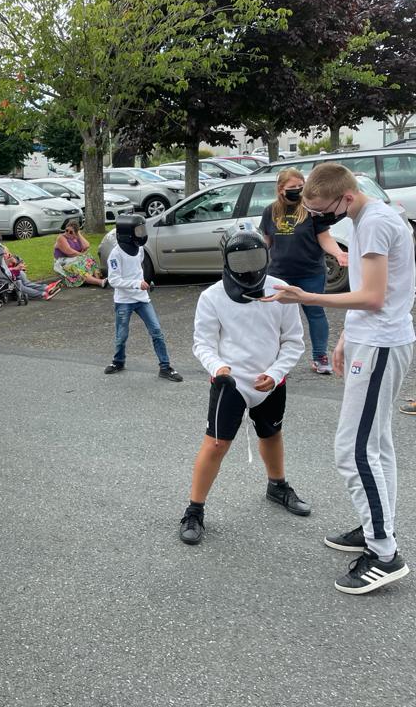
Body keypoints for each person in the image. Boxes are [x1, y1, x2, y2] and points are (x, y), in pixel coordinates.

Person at [265, 163, 415, 594]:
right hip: (374, 339)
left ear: (345, 198)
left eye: (319, 210)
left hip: (381, 344)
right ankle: (375, 530)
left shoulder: (375, 223)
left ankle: (383, 553)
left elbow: (373, 296)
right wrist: (348, 336)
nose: (316, 217)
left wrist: (305, 296)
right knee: (375, 445)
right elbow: (380, 291)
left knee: (354, 451)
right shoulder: (370, 217)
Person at [179, 224, 308, 545]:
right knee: (216, 444)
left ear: (266, 256)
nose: (249, 267)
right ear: (226, 261)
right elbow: (203, 343)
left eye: (255, 258)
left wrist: (276, 373)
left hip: (271, 380)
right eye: (240, 260)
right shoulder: (211, 297)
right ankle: (194, 510)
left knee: (272, 434)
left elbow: (293, 341)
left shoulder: (281, 291)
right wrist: (218, 367)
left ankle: (277, 485)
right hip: (230, 382)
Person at [259, 168, 348, 374]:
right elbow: (266, 242)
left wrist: (338, 253)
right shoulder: (270, 211)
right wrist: (253, 260)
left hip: (310, 272)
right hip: (279, 273)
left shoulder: (311, 209)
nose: (298, 190)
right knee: (275, 317)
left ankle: (320, 357)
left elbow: (324, 238)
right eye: (293, 187)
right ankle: (273, 359)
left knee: (315, 313)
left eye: (301, 186)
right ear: (281, 189)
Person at [103, 215, 183, 382]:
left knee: (156, 332)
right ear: (127, 233)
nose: (141, 233)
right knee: (121, 335)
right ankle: (118, 362)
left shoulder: (139, 249)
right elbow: (113, 280)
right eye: (137, 230)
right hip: (124, 301)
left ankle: (165, 367)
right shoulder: (115, 255)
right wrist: (136, 284)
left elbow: (138, 269)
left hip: (142, 299)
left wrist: (146, 282)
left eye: (142, 230)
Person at [0, 231, 59, 300]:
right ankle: (43, 294)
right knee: (19, 284)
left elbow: (8, 262)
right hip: (3, 277)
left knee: (22, 277)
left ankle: (47, 288)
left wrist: (15, 262)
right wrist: (14, 268)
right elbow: (0, 270)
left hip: (10, 273)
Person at [53, 222, 106, 288]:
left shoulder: (76, 237)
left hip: (75, 259)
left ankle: (97, 278)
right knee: (76, 267)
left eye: (71, 232)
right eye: (66, 230)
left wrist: (78, 234)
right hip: (64, 262)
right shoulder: (61, 238)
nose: (67, 233)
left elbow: (86, 246)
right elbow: (69, 252)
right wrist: (82, 254)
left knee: (89, 258)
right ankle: (99, 282)